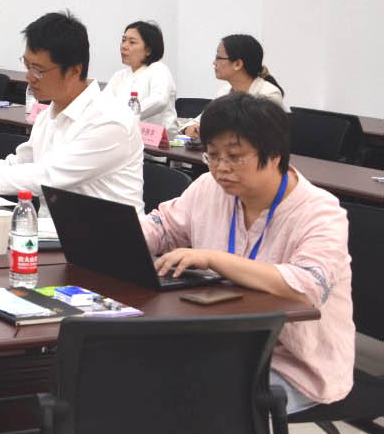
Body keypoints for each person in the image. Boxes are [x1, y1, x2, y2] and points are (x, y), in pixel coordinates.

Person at [143, 93, 353, 411]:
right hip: (220, 344)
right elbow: (162, 226)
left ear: (274, 155)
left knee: (197, 401)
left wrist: (214, 259)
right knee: (139, 374)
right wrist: (117, 236)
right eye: (213, 156)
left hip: (293, 364)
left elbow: (308, 286)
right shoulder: (209, 187)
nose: (221, 168)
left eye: (235, 157)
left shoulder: (319, 212)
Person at [0, 11, 143, 208]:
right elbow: (18, 164)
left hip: (109, 231)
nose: (29, 77)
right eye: (27, 65)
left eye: (38, 70)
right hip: (50, 228)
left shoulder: (109, 120)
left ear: (74, 71)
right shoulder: (48, 115)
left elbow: (47, 176)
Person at [183, 34, 285, 138]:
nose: (214, 63)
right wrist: (191, 128)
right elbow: (199, 121)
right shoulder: (224, 92)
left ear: (237, 64)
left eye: (218, 58)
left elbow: (264, 137)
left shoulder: (268, 94)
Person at [104, 20, 177, 130]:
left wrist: (125, 115)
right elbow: (103, 104)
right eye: (123, 40)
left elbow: (160, 100)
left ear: (148, 50)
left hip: (157, 138)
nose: (124, 46)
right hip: (123, 134)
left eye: (132, 42)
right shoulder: (119, 75)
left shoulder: (158, 69)